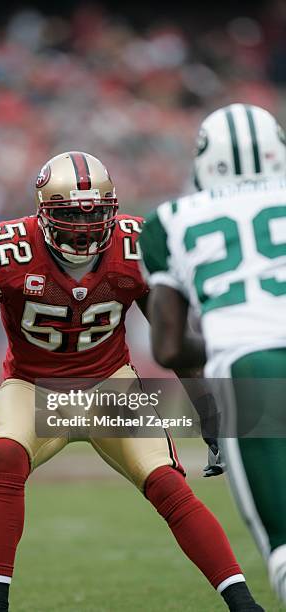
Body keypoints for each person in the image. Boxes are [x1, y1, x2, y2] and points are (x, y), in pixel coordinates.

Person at [0, 151, 262, 612]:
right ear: (43, 212)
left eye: (95, 213)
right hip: (33, 386)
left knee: (167, 482)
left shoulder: (135, 246)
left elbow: (175, 339)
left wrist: (210, 413)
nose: (84, 226)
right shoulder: (6, 251)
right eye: (70, 215)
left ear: (112, 209)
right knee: (5, 455)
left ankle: (244, 604)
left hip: (109, 386)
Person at [139, 103, 286, 605]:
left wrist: (231, 335)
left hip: (251, 371)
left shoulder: (169, 221)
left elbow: (168, 346)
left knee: (284, 552)